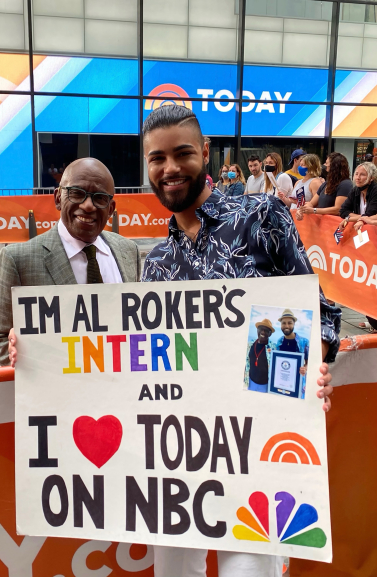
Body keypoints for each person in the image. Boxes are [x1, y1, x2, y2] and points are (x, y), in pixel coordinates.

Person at [141, 104, 337, 577]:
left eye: (182, 153)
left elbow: (319, 310)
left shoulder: (260, 215)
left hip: (260, 451)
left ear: (206, 153)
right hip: (180, 460)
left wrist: (316, 363)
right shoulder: (155, 263)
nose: (169, 169)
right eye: (157, 158)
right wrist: (38, 352)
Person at [0, 158, 141, 366]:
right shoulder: (16, 260)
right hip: (59, 392)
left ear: (111, 208)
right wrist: (16, 350)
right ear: (58, 198)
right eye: (76, 193)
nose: (88, 205)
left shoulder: (129, 251)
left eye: (100, 198)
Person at [297, 152, 352, 219]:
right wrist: (302, 210)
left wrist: (314, 210)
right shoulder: (326, 183)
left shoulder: (345, 184)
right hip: (322, 225)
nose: (324, 166)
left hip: (334, 225)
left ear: (334, 166)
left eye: (326, 163)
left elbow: (338, 209)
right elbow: (311, 203)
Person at [276, 308, 309, 397]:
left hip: (297, 383)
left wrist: (305, 368)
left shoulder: (304, 342)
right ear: (281, 325)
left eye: (289, 323)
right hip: (282, 383)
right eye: (283, 323)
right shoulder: (279, 341)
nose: (286, 326)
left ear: (294, 324)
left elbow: (308, 362)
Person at [338, 162, 377, 228]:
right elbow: (343, 211)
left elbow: (370, 214)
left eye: (362, 174)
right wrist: (362, 218)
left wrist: (348, 219)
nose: (358, 177)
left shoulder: (375, 190)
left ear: (372, 178)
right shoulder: (355, 190)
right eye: (356, 174)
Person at [245, 319, 275, 392]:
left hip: (265, 386)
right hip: (250, 382)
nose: (262, 332)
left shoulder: (273, 348)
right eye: (260, 329)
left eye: (266, 330)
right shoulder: (250, 344)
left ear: (270, 334)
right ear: (257, 330)